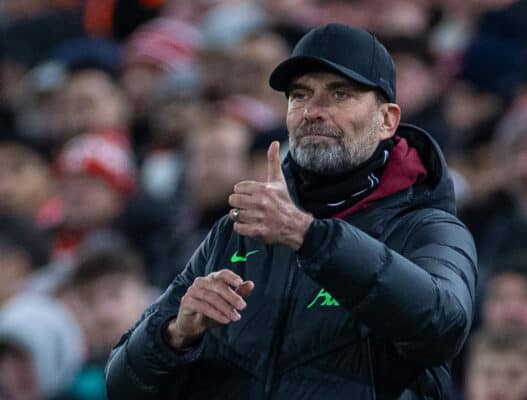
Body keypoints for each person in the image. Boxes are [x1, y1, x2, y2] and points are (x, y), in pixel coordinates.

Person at [105, 23, 477, 399]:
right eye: (300, 95)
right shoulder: (237, 229)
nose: (313, 111)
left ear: (387, 120)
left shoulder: (428, 228)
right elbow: (122, 386)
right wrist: (174, 335)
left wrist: (311, 237)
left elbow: (442, 328)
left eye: (340, 94)